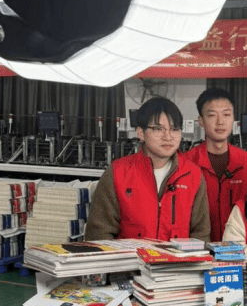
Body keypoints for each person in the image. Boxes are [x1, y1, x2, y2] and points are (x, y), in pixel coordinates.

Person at [84, 97, 210, 243]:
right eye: (158, 129)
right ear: (141, 133)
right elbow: (99, 234)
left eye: (174, 129)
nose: (168, 137)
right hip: (130, 258)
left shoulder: (193, 175)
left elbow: (201, 235)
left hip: (177, 258)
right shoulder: (117, 173)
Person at [184, 87, 247, 241]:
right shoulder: (186, 163)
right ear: (201, 121)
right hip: (197, 247)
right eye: (212, 115)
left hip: (240, 247)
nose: (220, 122)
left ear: (233, 119)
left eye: (226, 114)